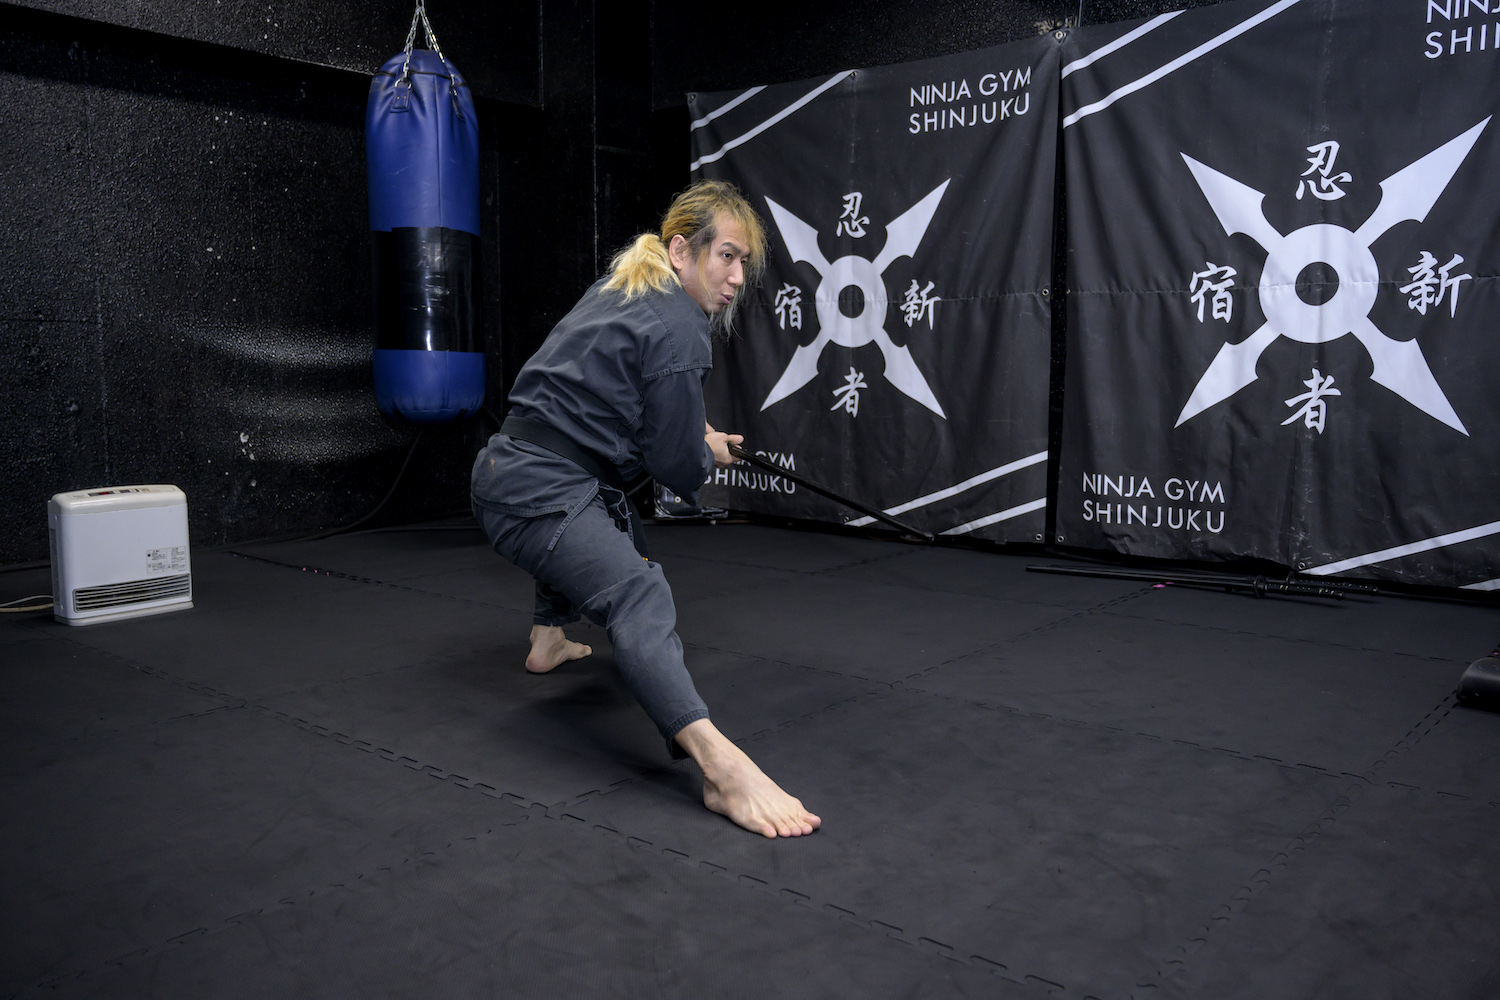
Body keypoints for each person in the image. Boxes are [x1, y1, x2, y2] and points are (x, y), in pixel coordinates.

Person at [470, 180, 820, 839]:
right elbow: (676, 468)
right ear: (682, 250)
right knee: (639, 593)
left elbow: (613, 402)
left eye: (744, 263)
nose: (736, 277)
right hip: (536, 494)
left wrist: (695, 432)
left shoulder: (625, 286)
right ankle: (720, 768)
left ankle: (548, 638)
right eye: (726, 256)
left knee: (613, 527)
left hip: (504, 469)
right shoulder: (681, 327)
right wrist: (704, 451)